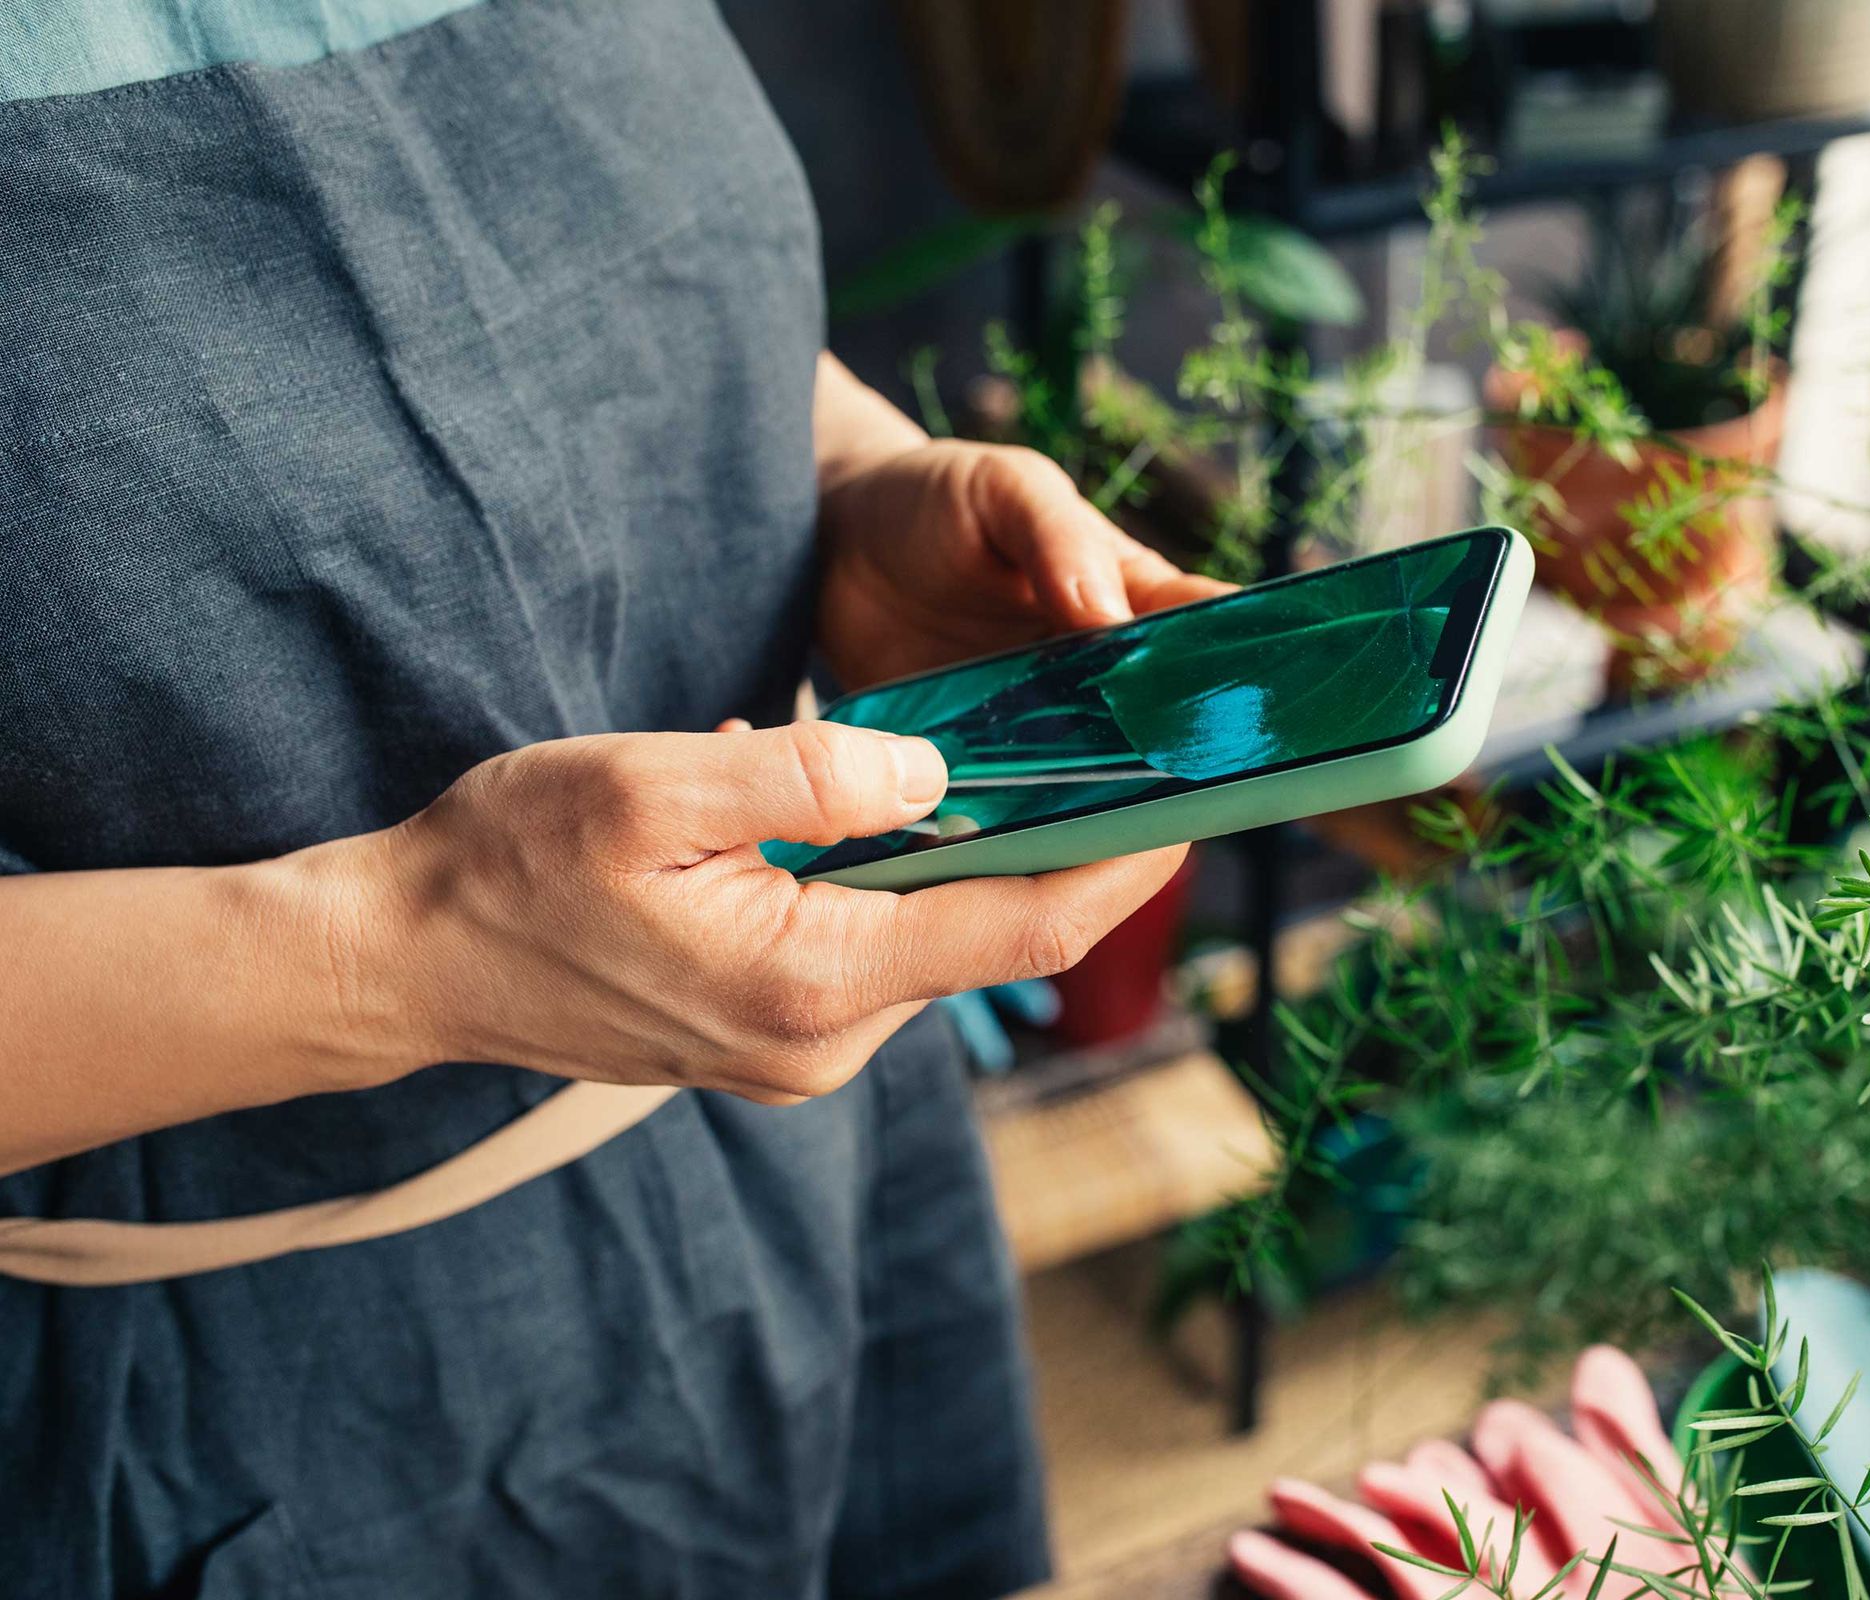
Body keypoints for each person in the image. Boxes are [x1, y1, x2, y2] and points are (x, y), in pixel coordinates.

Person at [0, 0, 1227, 1595]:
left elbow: (640, 286)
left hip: (813, 1171)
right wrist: (405, 945)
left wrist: (851, 488)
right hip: (232, 1401)